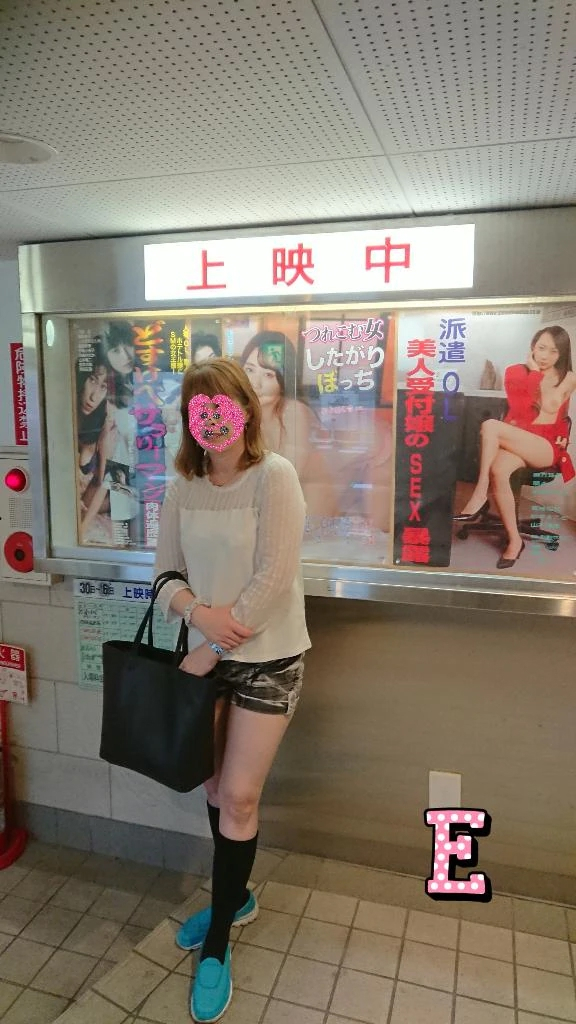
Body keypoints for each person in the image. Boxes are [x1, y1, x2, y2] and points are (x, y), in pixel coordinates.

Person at [153, 357, 310, 1023]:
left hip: (267, 661)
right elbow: (165, 575)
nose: (214, 417)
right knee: (216, 792)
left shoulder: (274, 476)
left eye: (224, 404)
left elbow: (275, 578)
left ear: (245, 409)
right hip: (207, 660)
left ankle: (218, 939)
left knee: (240, 796)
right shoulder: (182, 487)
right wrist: (196, 614)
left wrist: (213, 643)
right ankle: (235, 897)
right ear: (190, 420)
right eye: (201, 407)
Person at [454, 326, 576, 568]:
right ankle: (514, 541)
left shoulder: (568, 377)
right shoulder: (514, 371)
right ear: (532, 347)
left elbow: (550, 406)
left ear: (562, 354)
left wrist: (535, 374)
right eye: (541, 348)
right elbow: (521, 409)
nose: (545, 356)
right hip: (518, 439)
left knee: (490, 425)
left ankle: (480, 492)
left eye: (553, 351)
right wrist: (530, 374)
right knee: (499, 470)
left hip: (545, 446)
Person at [240, 331, 338, 515]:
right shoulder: (244, 412)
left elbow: (287, 480)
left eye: (269, 375)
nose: (255, 384)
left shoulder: (294, 412)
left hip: (304, 510)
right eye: (250, 370)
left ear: (285, 379)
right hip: (267, 509)